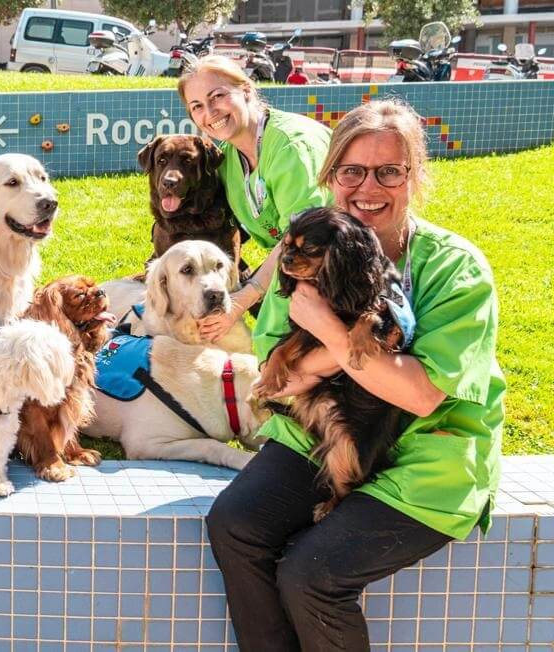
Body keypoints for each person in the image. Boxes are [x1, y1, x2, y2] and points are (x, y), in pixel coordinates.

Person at [206, 100, 505, 651]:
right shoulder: (307, 251)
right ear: (330, 176)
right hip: (323, 432)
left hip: (429, 454)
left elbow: (418, 393)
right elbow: (280, 378)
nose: (369, 187)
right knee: (235, 524)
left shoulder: (455, 268)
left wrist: (326, 328)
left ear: (415, 177)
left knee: (311, 575)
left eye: (389, 171)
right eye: (352, 171)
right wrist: (352, 351)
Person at [177, 55, 331, 342]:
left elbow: (304, 237)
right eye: (196, 106)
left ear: (246, 90)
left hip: (339, 262)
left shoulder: (290, 146)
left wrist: (245, 296)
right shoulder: (228, 159)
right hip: (297, 264)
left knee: (279, 346)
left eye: (218, 96)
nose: (209, 112)